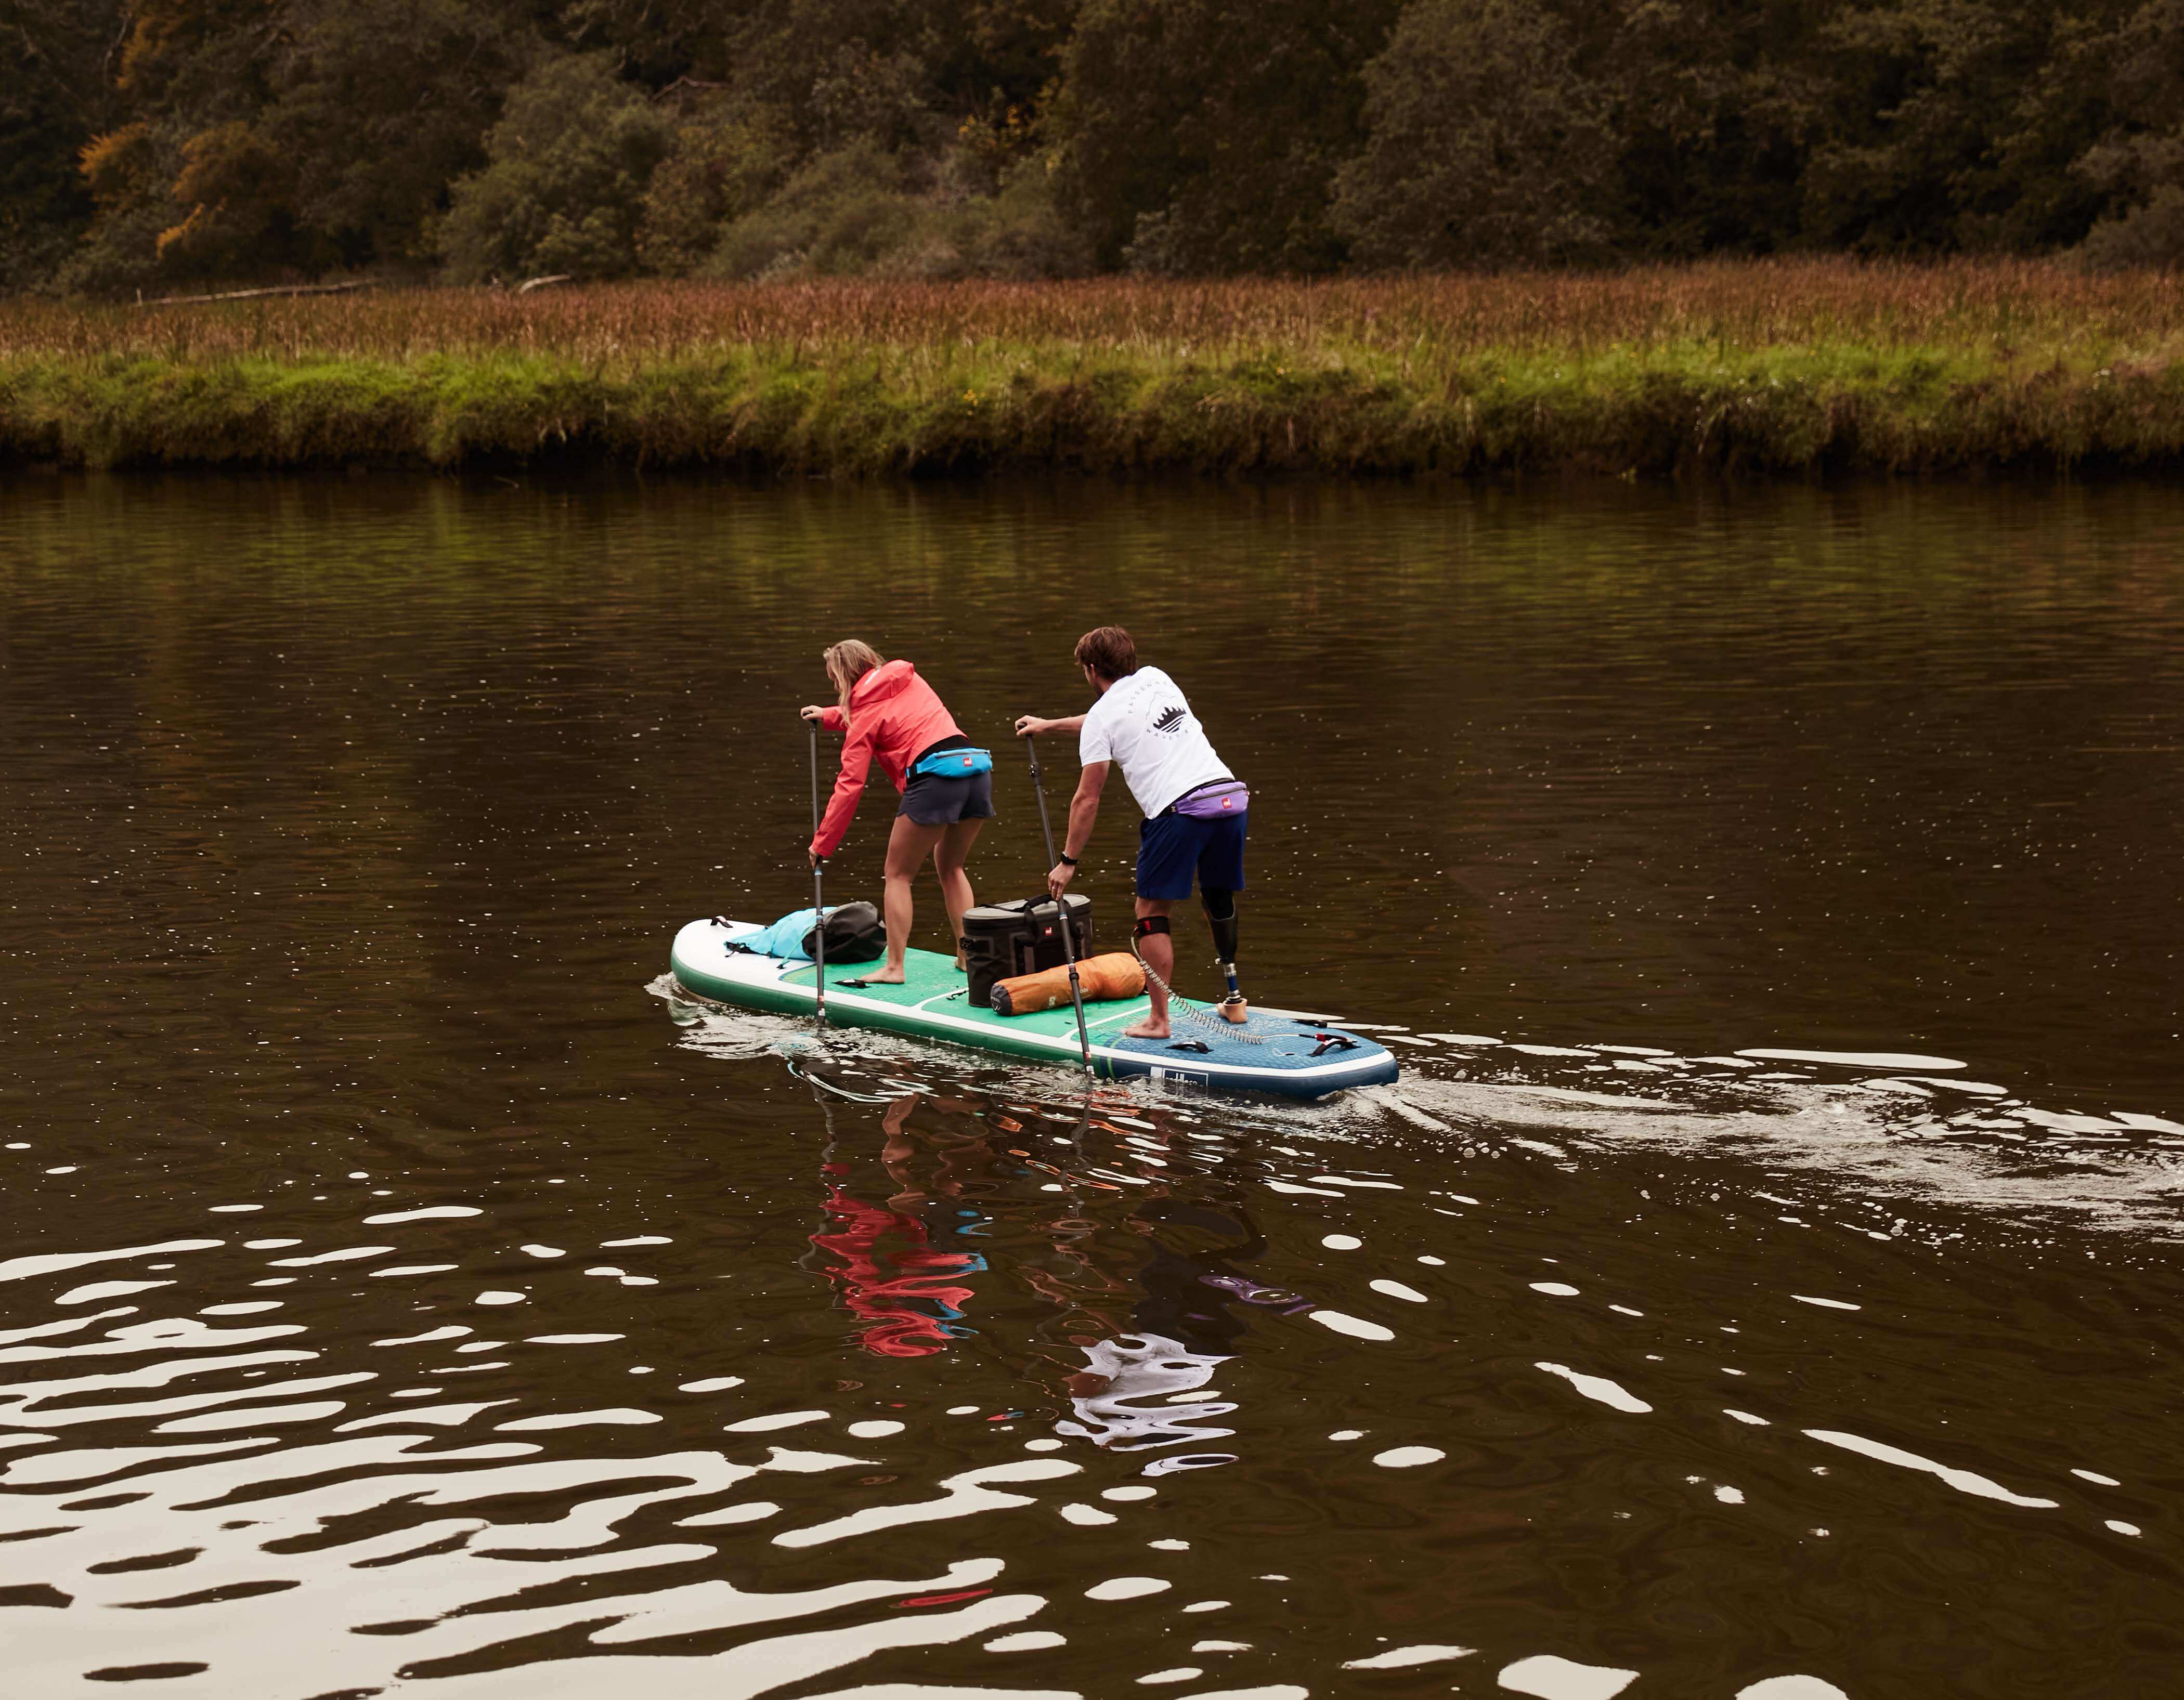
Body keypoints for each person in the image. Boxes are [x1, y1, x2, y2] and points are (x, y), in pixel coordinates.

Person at [1013, 625, 1248, 1040]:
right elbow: (1110, 720)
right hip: (1229, 797)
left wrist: (1068, 862)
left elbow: (1088, 798)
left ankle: (1159, 1021)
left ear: (1090, 670)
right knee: (1218, 897)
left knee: (1151, 913)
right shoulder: (1158, 678)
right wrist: (1049, 726)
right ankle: (1235, 1002)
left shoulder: (1103, 717)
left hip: (1180, 811)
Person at [803, 640, 992, 985]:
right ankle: (969, 958)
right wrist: (829, 716)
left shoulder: (863, 712)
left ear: (846, 679)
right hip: (976, 769)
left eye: (835, 682)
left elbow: (850, 785)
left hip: (935, 778)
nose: (836, 688)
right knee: (951, 867)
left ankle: (894, 967)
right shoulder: (909, 679)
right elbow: (885, 713)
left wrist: (822, 845)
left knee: (898, 875)